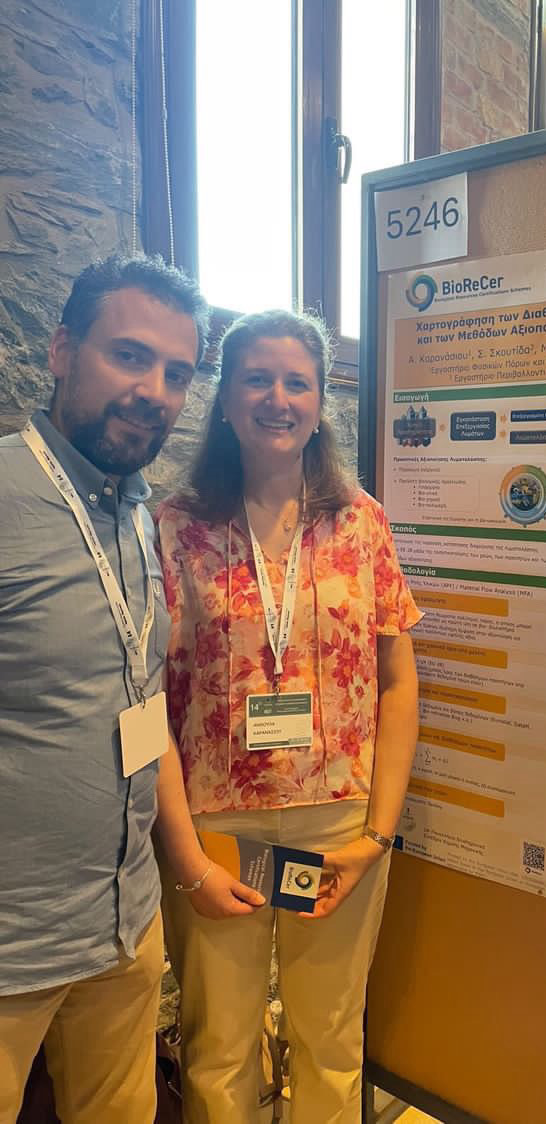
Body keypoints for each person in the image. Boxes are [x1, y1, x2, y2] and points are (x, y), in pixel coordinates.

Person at [0, 255, 261, 1124]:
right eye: (128, 356)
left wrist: (183, 868)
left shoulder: (136, 516)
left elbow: (139, 711)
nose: (154, 390)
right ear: (62, 350)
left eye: (176, 373)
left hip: (122, 930)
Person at [155, 309, 421, 1123]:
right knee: (218, 1045)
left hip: (334, 821)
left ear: (318, 400)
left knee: (329, 1037)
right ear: (226, 400)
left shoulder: (360, 521)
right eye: (256, 380)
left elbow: (397, 682)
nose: (278, 398)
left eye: (296, 381)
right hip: (215, 825)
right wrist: (183, 850)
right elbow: (148, 700)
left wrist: (376, 833)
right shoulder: (175, 527)